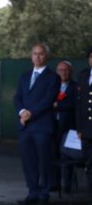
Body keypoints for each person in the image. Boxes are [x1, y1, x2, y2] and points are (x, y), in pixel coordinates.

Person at [13, 43, 60, 205]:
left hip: (42, 127)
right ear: (31, 56)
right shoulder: (24, 76)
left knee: (44, 161)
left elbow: (48, 101)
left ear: (46, 56)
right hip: (25, 127)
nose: (37, 57)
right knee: (29, 161)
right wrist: (21, 112)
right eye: (35, 54)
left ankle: (44, 193)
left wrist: (29, 113)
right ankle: (32, 192)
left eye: (40, 54)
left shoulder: (53, 77)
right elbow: (17, 97)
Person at [51, 60, 77, 193]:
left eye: (66, 70)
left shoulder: (76, 87)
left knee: (67, 157)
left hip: (68, 127)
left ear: (71, 72)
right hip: (52, 126)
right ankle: (55, 184)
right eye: (60, 70)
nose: (63, 73)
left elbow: (76, 105)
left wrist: (58, 106)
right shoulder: (52, 86)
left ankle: (67, 185)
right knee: (53, 155)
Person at [76, 47, 92, 198]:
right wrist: (79, 129)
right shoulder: (83, 76)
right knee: (88, 164)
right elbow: (79, 105)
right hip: (87, 130)